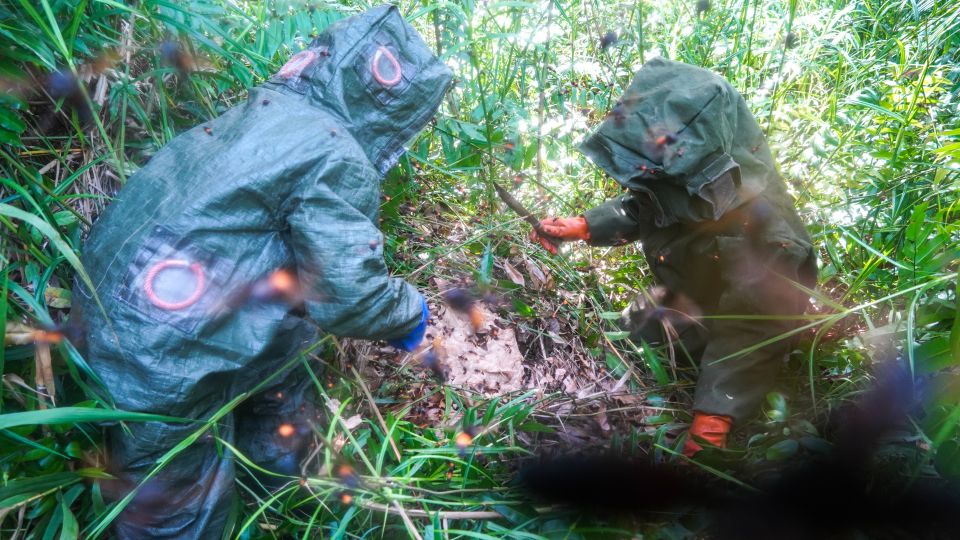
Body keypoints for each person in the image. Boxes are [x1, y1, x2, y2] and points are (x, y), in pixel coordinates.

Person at [73, 6, 451, 537]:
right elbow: (349, 293)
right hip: (163, 352)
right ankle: (275, 499)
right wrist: (408, 314)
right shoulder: (338, 154)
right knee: (176, 505)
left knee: (290, 352)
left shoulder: (262, 111)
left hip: (106, 298)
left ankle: (277, 490)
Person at [531, 58, 817, 457]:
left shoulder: (771, 241)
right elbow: (651, 204)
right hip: (686, 297)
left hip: (738, 330)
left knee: (732, 389)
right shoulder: (683, 182)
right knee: (620, 340)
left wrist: (714, 416)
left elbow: (751, 331)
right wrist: (585, 226)